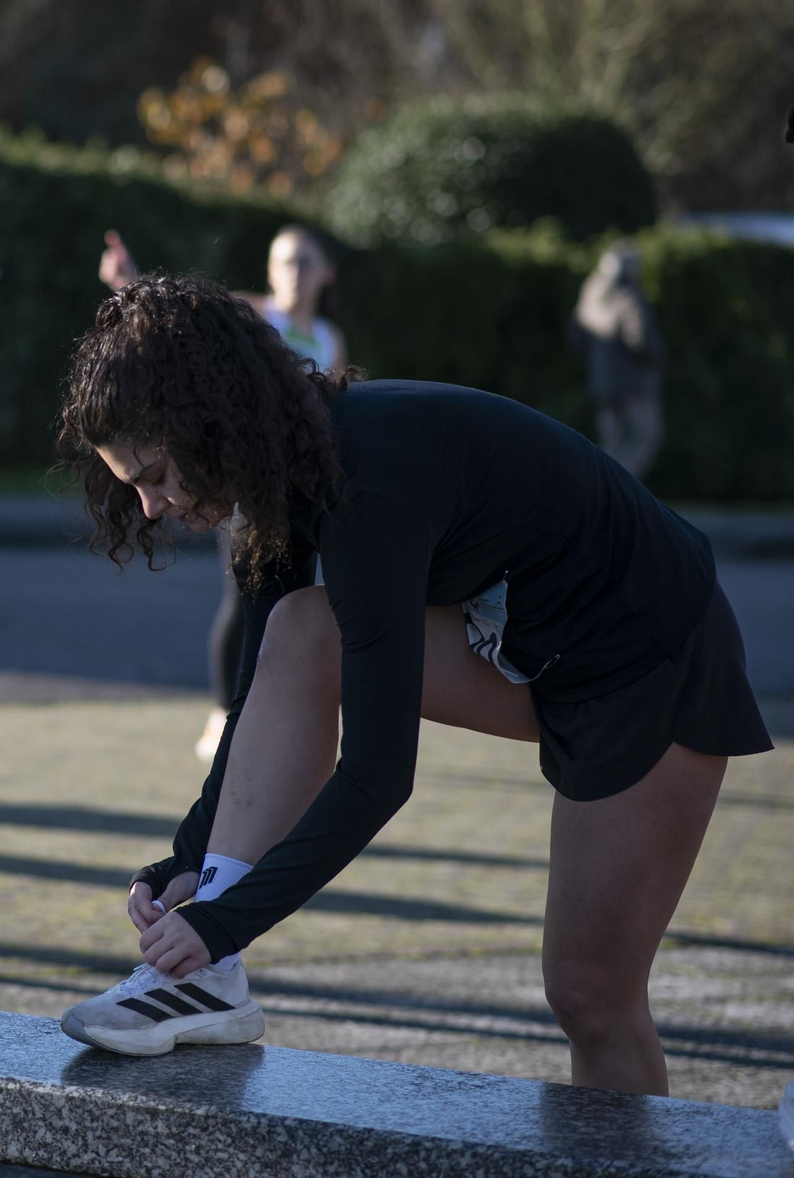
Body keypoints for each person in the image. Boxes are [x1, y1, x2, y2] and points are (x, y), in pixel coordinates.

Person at [56, 275, 770, 1095]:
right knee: (300, 630)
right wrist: (189, 863)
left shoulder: (368, 476)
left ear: (207, 422)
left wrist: (223, 925)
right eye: (130, 485)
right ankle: (206, 984)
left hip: (651, 658)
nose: (148, 507)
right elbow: (259, 693)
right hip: (539, 651)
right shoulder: (281, 477)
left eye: (153, 472)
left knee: (591, 996)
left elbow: (378, 776)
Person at [98, 226, 347, 760]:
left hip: (295, 486)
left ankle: (280, 714)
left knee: (298, 598)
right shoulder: (258, 317)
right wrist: (130, 283)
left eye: (304, 263)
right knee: (244, 595)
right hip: (245, 484)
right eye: (282, 262)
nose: (293, 274)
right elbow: (181, 321)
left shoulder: (328, 337)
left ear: (327, 273)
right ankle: (223, 712)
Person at [567, 242, 665, 481]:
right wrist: (656, 358)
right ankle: (620, 489)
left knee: (612, 443)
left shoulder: (590, 294)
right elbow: (640, 339)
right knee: (646, 437)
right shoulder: (628, 295)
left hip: (602, 383)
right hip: (634, 384)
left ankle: (604, 490)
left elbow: (575, 338)